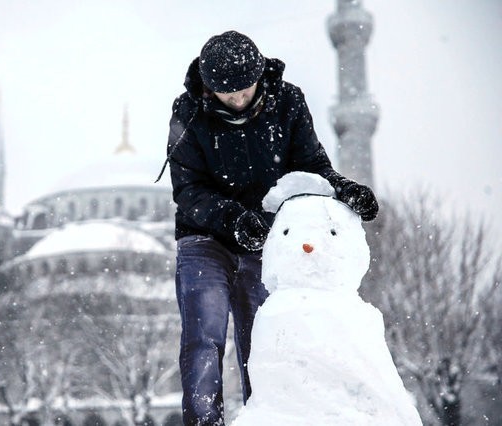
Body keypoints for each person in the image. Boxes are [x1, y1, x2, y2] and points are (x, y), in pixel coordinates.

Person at [157, 30, 378, 426]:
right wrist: (234, 218)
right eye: (229, 94)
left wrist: (344, 191)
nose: (240, 100)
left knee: (261, 341)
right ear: (210, 89)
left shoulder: (288, 101)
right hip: (204, 238)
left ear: (260, 75)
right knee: (203, 337)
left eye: (246, 89)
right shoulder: (188, 111)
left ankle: (264, 418)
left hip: (266, 239)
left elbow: (311, 165)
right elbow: (188, 191)